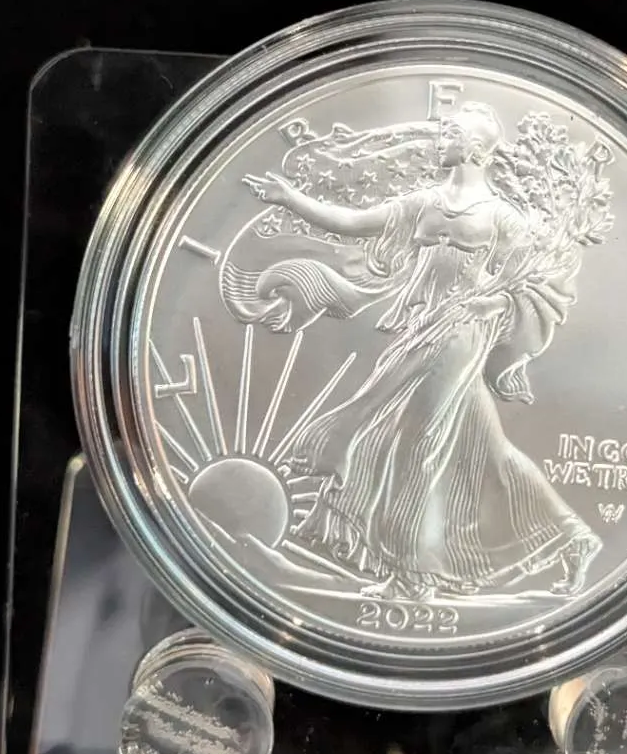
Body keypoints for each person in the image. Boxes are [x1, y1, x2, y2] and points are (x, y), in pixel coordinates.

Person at [239, 102, 602, 600]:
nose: (441, 138)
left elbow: (542, 282)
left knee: (416, 443)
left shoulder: (501, 217)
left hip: (460, 333)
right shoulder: (424, 203)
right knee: (485, 448)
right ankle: (573, 539)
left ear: (474, 149)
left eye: (451, 133)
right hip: (420, 327)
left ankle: (413, 575)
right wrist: (291, 199)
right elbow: (352, 222)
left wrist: (493, 302)